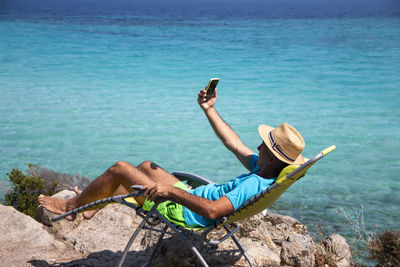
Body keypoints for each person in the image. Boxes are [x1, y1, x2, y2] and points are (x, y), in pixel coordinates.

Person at [39, 87, 305, 228]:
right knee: (146, 167)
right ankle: (93, 204)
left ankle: (72, 207)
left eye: (264, 145)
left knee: (121, 168)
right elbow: (233, 143)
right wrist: (209, 109)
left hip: (187, 212)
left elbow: (213, 211)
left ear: (272, 156)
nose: (258, 146)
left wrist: (169, 191)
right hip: (197, 196)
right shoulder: (265, 171)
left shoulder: (252, 185)